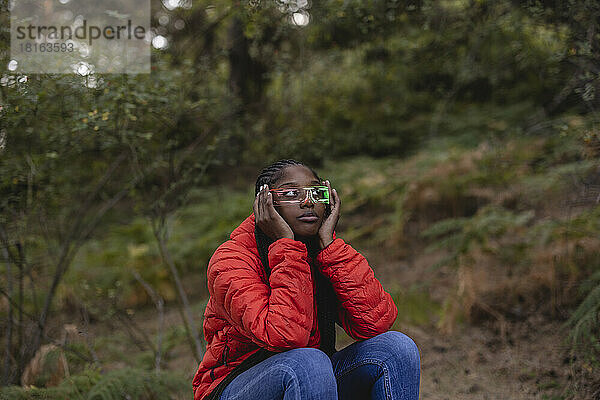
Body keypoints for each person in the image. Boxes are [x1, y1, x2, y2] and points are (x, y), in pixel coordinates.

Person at [192, 159, 420, 400]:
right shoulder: (232, 260)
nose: (308, 202)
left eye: (316, 192)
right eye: (291, 193)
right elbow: (283, 336)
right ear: (265, 203)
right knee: (309, 362)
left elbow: (375, 323)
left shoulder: (320, 251)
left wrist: (331, 249)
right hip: (236, 385)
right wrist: (286, 248)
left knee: (397, 349)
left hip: (310, 376)